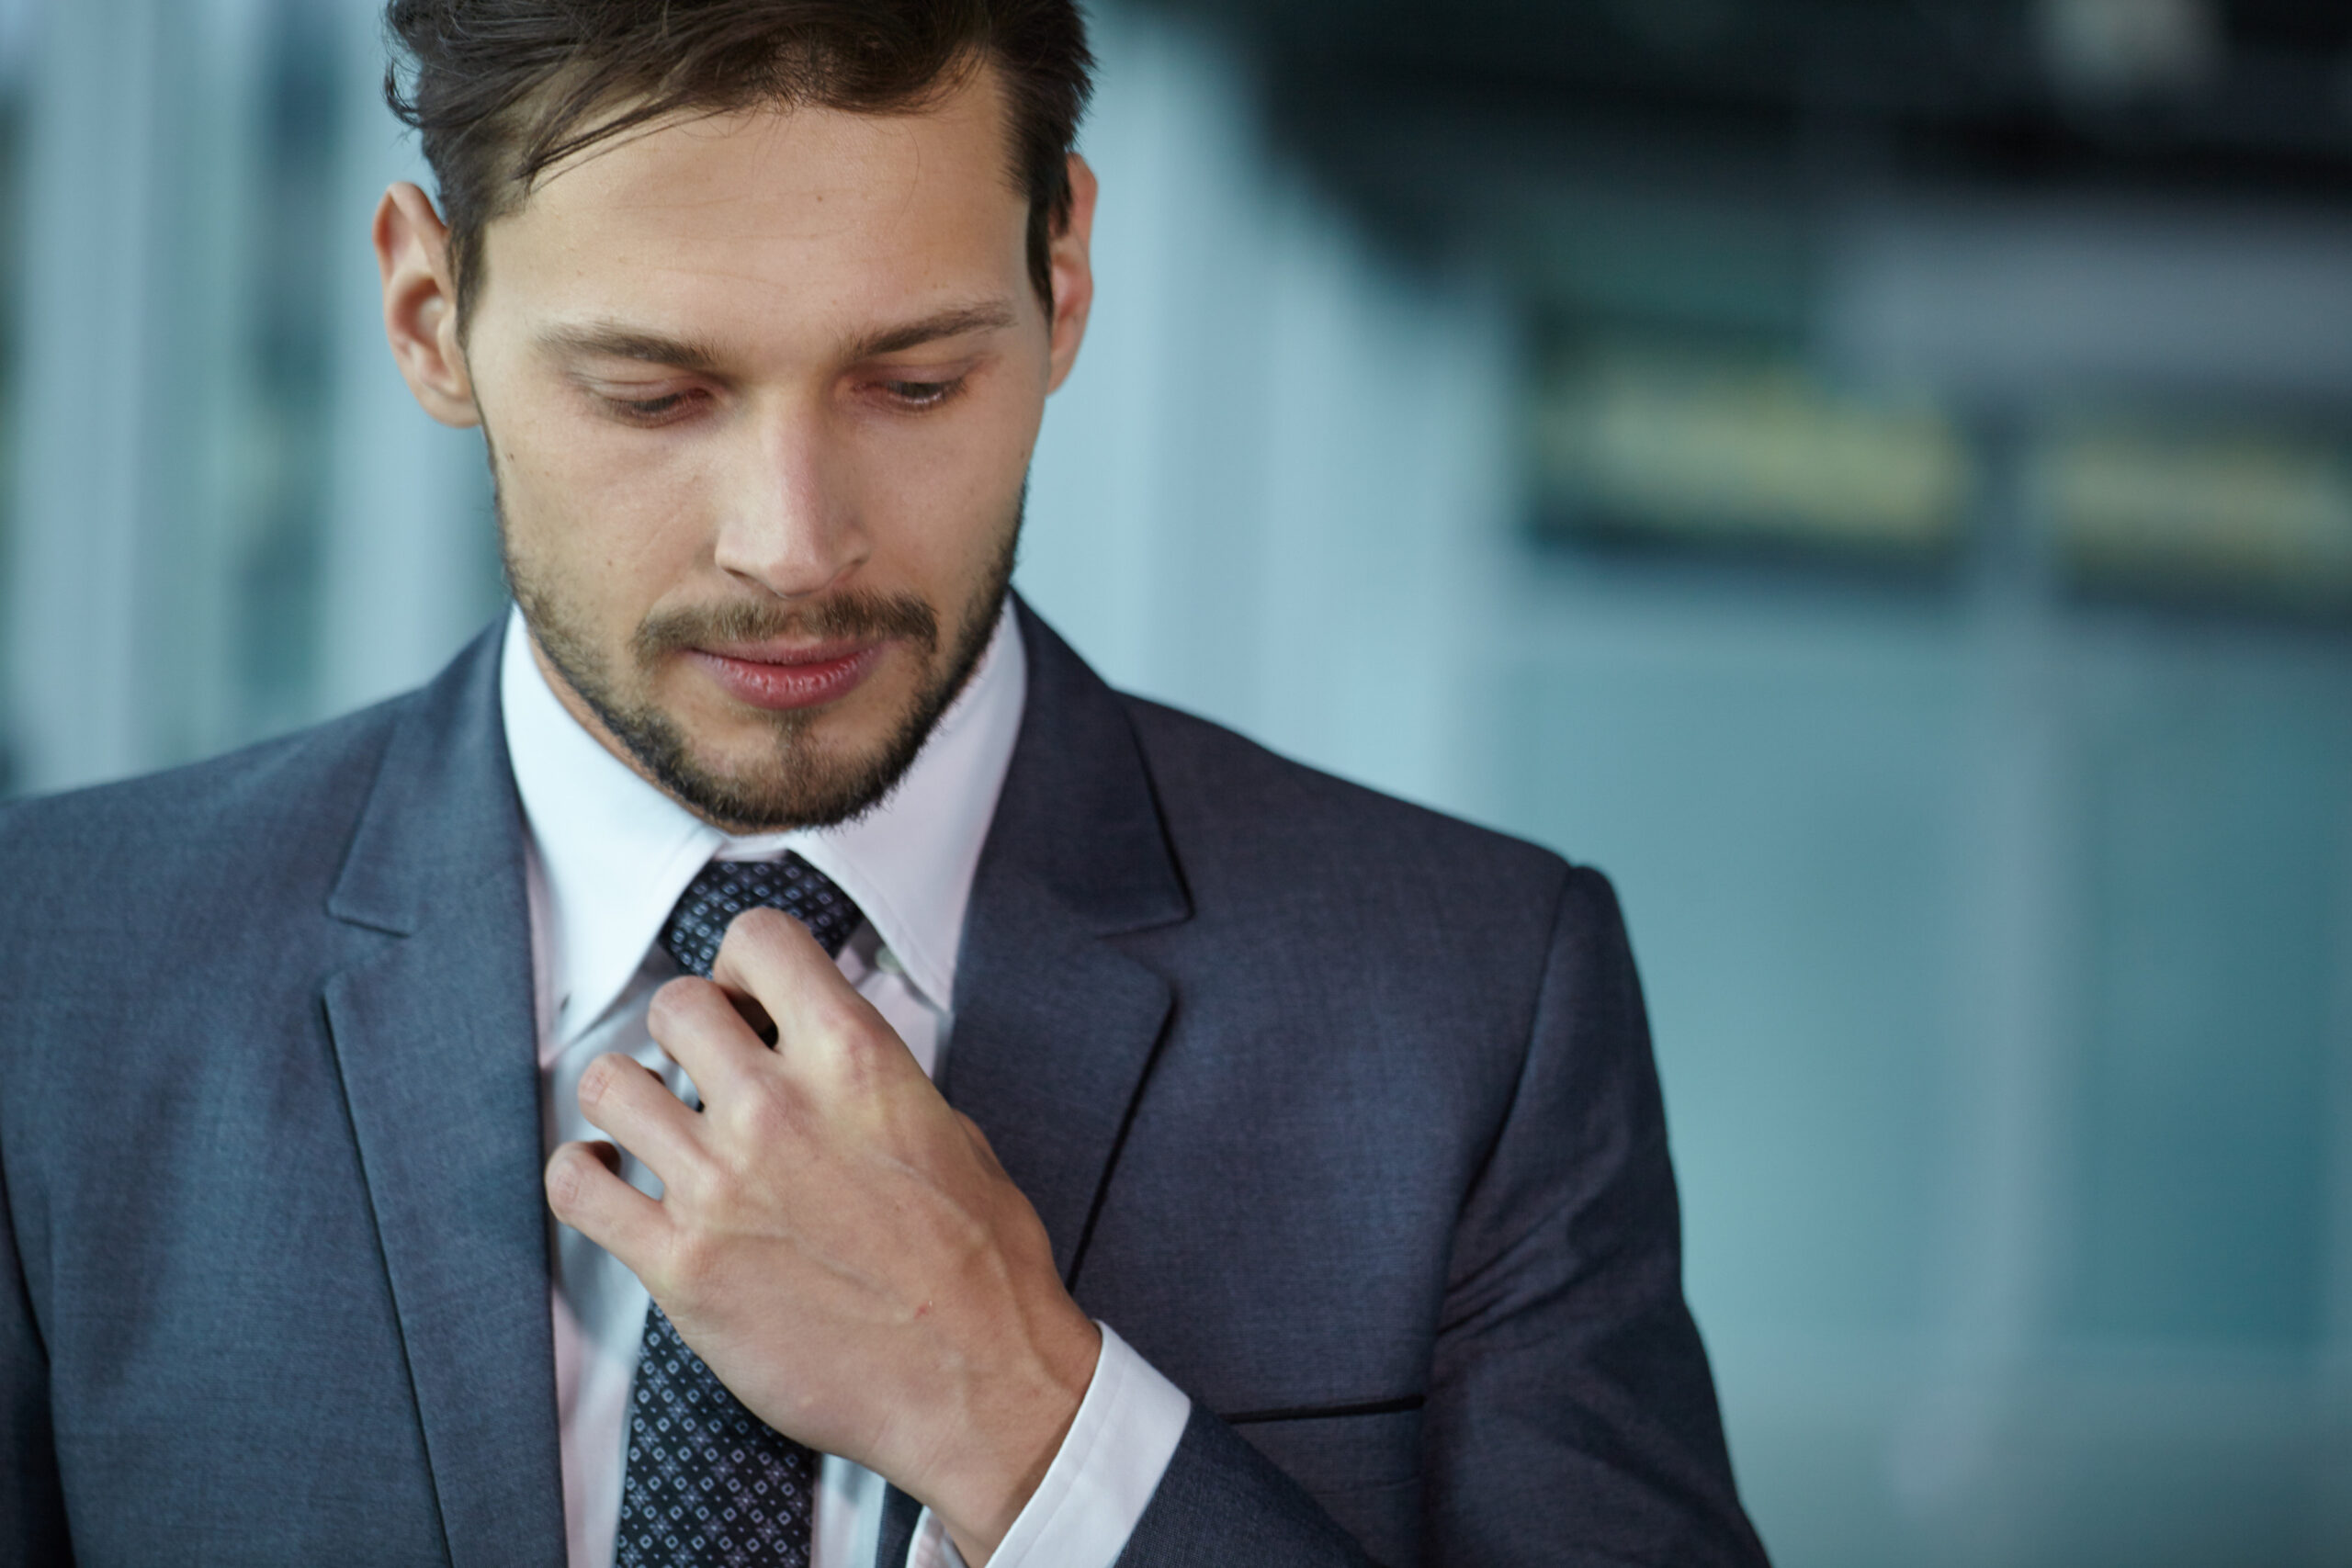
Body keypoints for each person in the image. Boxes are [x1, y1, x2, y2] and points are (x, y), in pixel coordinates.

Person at [0, 2, 1770, 1564]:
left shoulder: (1474, 1008)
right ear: (426, 314)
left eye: (914, 383)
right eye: (654, 394)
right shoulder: (53, 977)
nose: (793, 545)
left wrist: (1029, 1430)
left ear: (1062, 278)